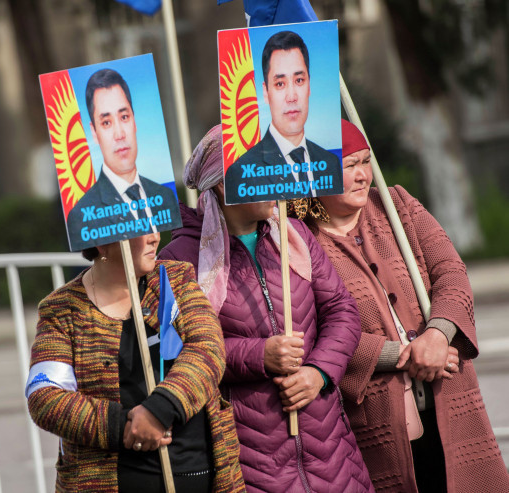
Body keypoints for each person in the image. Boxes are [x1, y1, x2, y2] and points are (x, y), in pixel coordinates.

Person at [292, 118, 509, 492]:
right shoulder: (298, 238)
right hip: (378, 417)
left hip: (449, 392)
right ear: (317, 174)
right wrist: (405, 355)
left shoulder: (396, 204)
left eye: (366, 162)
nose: (363, 175)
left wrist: (437, 336)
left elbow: (451, 273)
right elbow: (316, 330)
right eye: (349, 166)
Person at [159, 125, 374, 492]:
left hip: (331, 451)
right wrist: (260, 355)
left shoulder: (295, 235)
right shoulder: (178, 259)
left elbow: (341, 310)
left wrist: (319, 373)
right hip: (250, 460)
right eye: (262, 168)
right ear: (224, 184)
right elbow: (176, 351)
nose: (277, 178)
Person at [26, 232, 245, 492]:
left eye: (154, 225)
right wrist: (124, 425)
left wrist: (160, 409)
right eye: (142, 229)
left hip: (201, 475)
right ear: (103, 241)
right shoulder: (61, 309)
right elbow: (45, 397)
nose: (155, 237)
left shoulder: (175, 279)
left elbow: (208, 349)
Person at [66, 69, 179, 250]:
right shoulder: (82, 215)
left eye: (124, 117)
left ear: (134, 121)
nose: (119, 134)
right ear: (94, 132)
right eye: (106, 123)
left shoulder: (165, 197)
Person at [224, 30, 341, 203]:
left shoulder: (331, 163)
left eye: (299, 80)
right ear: (265, 92)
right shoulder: (242, 172)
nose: (292, 96)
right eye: (280, 84)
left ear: (309, 85)